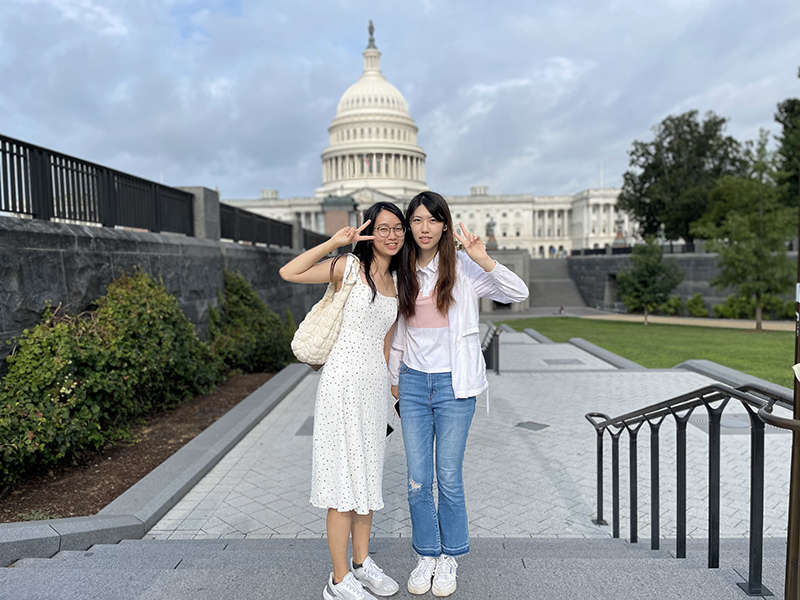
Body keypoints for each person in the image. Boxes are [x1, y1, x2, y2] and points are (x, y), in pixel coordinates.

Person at [388, 191, 529, 597]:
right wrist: (394, 378)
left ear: (445, 225)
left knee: (448, 477)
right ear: (409, 226)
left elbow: (517, 293)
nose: (425, 228)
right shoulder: (402, 271)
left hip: (455, 386)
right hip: (414, 384)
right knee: (418, 480)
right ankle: (426, 555)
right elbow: (399, 332)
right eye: (417, 220)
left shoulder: (465, 268)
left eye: (433, 220)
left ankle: (449, 557)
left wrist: (483, 257)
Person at [280, 202, 406, 600]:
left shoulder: (398, 282)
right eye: (383, 228)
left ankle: (361, 563)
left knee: (367, 478)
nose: (391, 235)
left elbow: (386, 343)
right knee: (342, 482)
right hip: (341, 382)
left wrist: (391, 388)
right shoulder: (348, 267)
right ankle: (337, 581)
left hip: (373, 386)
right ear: (369, 230)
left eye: (397, 228)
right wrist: (334, 242)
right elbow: (290, 272)